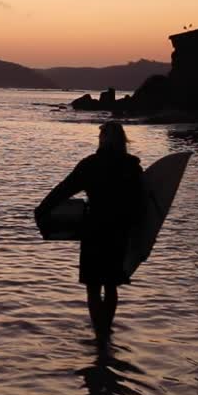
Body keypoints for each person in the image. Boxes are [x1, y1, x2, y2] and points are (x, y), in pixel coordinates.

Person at [35, 120, 145, 339]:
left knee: (93, 285)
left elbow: (64, 189)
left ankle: (99, 333)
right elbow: (139, 202)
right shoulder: (132, 165)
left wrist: (42, 210)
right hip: (119, 230)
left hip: (94, 228)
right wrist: (137, 232)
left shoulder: (91, 164)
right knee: (111, 284)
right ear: (123, 140)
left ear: (103, 139)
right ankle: (107, 330)